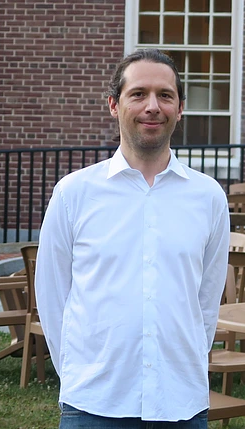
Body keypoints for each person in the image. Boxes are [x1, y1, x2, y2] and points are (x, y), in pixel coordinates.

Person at [35, 49, 230, 428]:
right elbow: (52, 295)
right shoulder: (74, 194)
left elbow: (206, 303)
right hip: (93, 403)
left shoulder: (208, 197)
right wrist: (78, 374)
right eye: (138, 94)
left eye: (165, 95)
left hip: (181, 404)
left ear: (180, 107)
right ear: (113, 104)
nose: (152, 106)